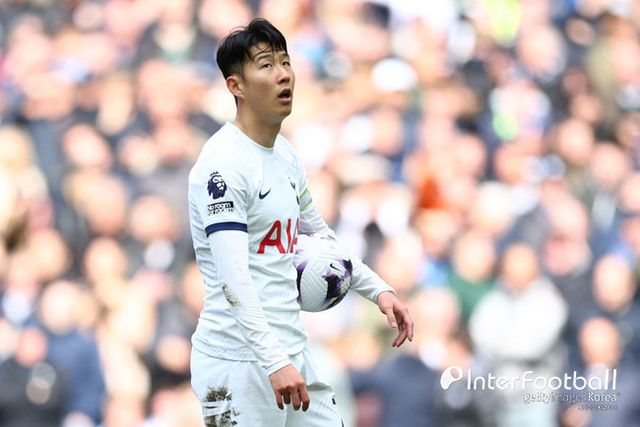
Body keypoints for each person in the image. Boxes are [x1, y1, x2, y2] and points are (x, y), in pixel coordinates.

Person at [187, 18, 414, 426]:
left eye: (285, 62)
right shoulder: (223, 165)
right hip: (237, 362)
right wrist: (273, 361)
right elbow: (233, 277)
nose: (283, 74)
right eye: (265, 65)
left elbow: (318, 234)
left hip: (290, 349)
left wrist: (377, 289)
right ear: (236, 86)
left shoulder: (286, 156)